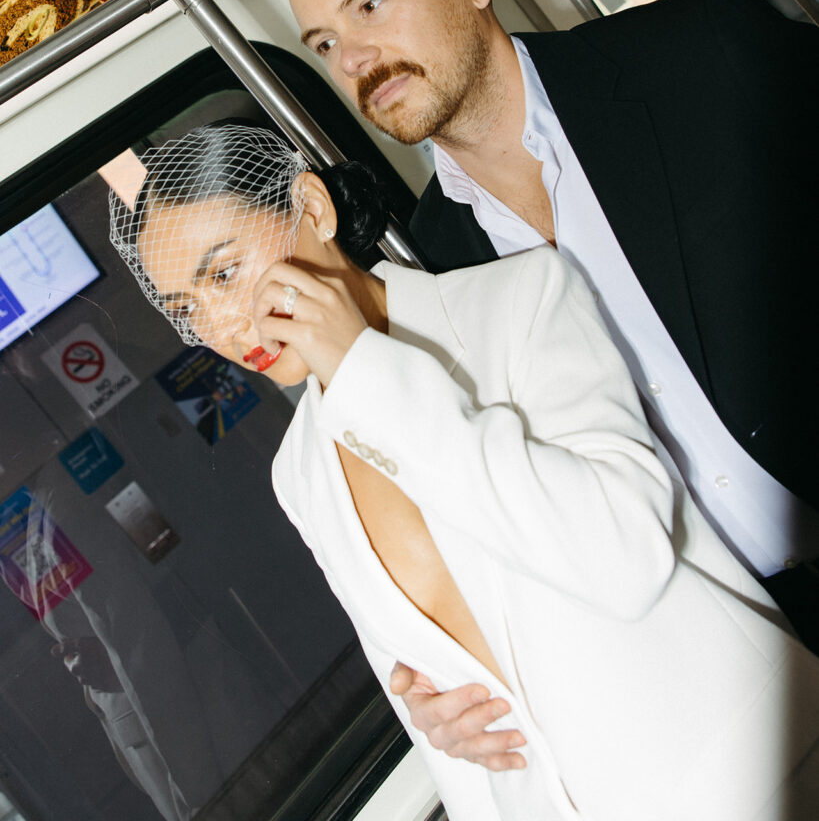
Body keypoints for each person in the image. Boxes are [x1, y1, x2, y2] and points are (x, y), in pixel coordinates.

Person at [110, 124, 819, 821]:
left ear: (313, 209)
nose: (224, 327)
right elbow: (436, 709)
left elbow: (626, 555)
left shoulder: (519, 301)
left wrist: (362, 369)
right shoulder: (299, 471)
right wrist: (434, 719)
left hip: (751, 779)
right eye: (187, 310)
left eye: (224, 272)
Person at [286, 0, 819, 765]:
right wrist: (461, 690)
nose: (355, 58)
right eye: (323, 45)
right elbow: (515, 501)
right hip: (735, 665)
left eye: (370, 5)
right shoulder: (435, 272)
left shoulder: (700, 55)